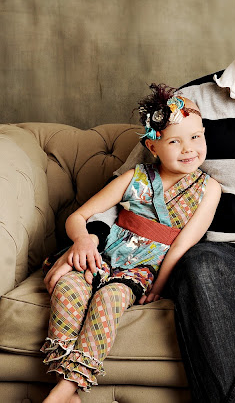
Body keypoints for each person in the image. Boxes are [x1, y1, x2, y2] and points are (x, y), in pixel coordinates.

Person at [43, 0, 235, 403]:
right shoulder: (191, 102)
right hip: (215, 249)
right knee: (198, 272)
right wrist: (86, 241)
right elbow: (131, 186)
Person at [41, 84, 221, 403]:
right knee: (68, 288)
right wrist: (82, 241)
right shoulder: (135, 177)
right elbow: (79, 216)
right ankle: (67, 390)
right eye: (174, 141)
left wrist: (158, 286)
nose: (188, 149)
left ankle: (64, 390)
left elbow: (181, 246)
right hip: (101, 254)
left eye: (196, 137)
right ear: (153, 147)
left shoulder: (209, 189)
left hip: (142, 270)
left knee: (109, 298)